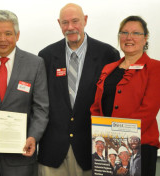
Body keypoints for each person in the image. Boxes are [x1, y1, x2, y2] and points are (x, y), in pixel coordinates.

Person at [37, 3, 120, 176]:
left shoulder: (108, 54)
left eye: (75, 21)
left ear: (85, 20)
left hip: (92, 149)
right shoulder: (45, 56)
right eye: (65, 23)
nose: (70, 27)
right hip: (53, 151)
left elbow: (112, 102)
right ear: (59, 24)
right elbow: (40, 101)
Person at [0, 10, 49, 176]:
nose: (2, 39)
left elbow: (41, 108)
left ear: (17, 35)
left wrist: (33, 137)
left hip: (21, 153)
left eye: (8, 33)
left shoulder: (35, 64)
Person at [90, 16, 160, 176]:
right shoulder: (108, 68)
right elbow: (96, 106)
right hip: (107, 147)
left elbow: (148, 111)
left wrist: (119, 140)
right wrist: (101, 136)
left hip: (139, 147)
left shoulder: (155, 68)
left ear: (145, 38)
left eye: (136, 33)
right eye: (124, 33)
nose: (129, 38)